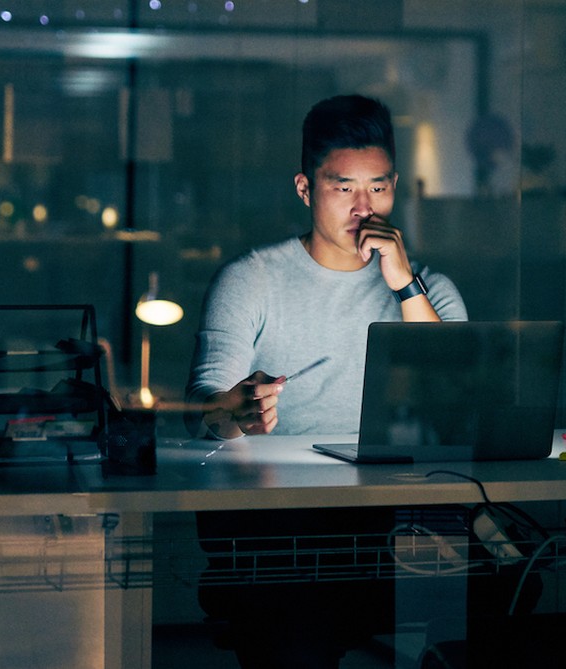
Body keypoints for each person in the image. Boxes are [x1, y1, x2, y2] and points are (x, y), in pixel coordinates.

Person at [183, 94, 468, 667]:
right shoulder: (252, 279)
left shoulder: (427, 288)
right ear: (305, 188)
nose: (364, 208)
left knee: (496, 593)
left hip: (396, 516)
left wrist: (404, 286)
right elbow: (201, 410)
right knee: (299, 625)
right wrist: (236, 411)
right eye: (343, 188)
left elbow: (460, 398)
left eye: (379, 188)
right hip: (282, 522)